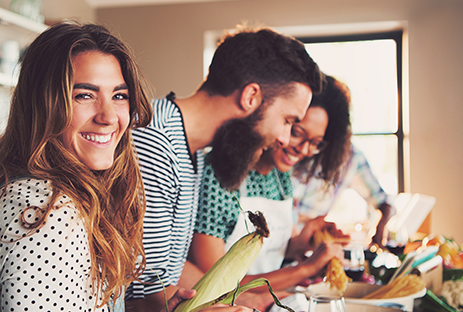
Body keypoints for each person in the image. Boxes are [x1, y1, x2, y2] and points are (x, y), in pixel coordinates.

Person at [0, 21, 248, 312]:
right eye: (84, 95)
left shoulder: (50, 195)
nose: (109, 116)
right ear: (43, 105)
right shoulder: (45, 215)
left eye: (119, 96)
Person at [125, 26, 324, 312]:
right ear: (251, 97)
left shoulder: (190, 150)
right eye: (287, 120)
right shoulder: (154, 142)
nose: (283, 138)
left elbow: (167, 267)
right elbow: (137, 288)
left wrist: (246, 300)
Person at [190, 75, 352, 311]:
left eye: (315, 142)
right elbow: (212, 282)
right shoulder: (221, 175)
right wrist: (305, 269)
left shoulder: (281, 177)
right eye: (297, 132)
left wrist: (305, 239)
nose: (304, 149)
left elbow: (268, 251)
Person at [292, 143, 395, 247]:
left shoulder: (352, 157)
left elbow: (382, 200)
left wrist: (380, 227)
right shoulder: (301, 146)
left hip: (305, 244)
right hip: (283, 238)